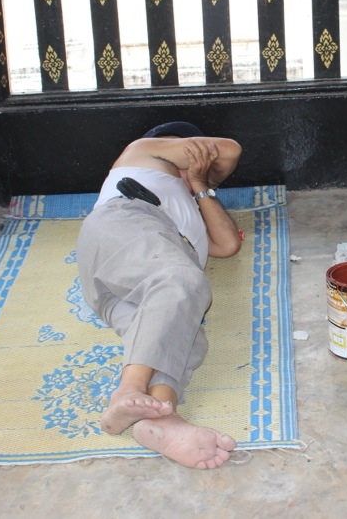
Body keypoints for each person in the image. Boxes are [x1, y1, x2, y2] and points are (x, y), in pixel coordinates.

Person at [76, 121, 243, 469]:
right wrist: (196, 168)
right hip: (127, 224)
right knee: (182, 280)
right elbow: (230, 150)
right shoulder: (143, 153)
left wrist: (200, 186)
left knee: (186, 337)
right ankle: (129, 389)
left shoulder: (190, 207)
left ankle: (162, 418)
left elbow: (227, 245)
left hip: (118, 283)